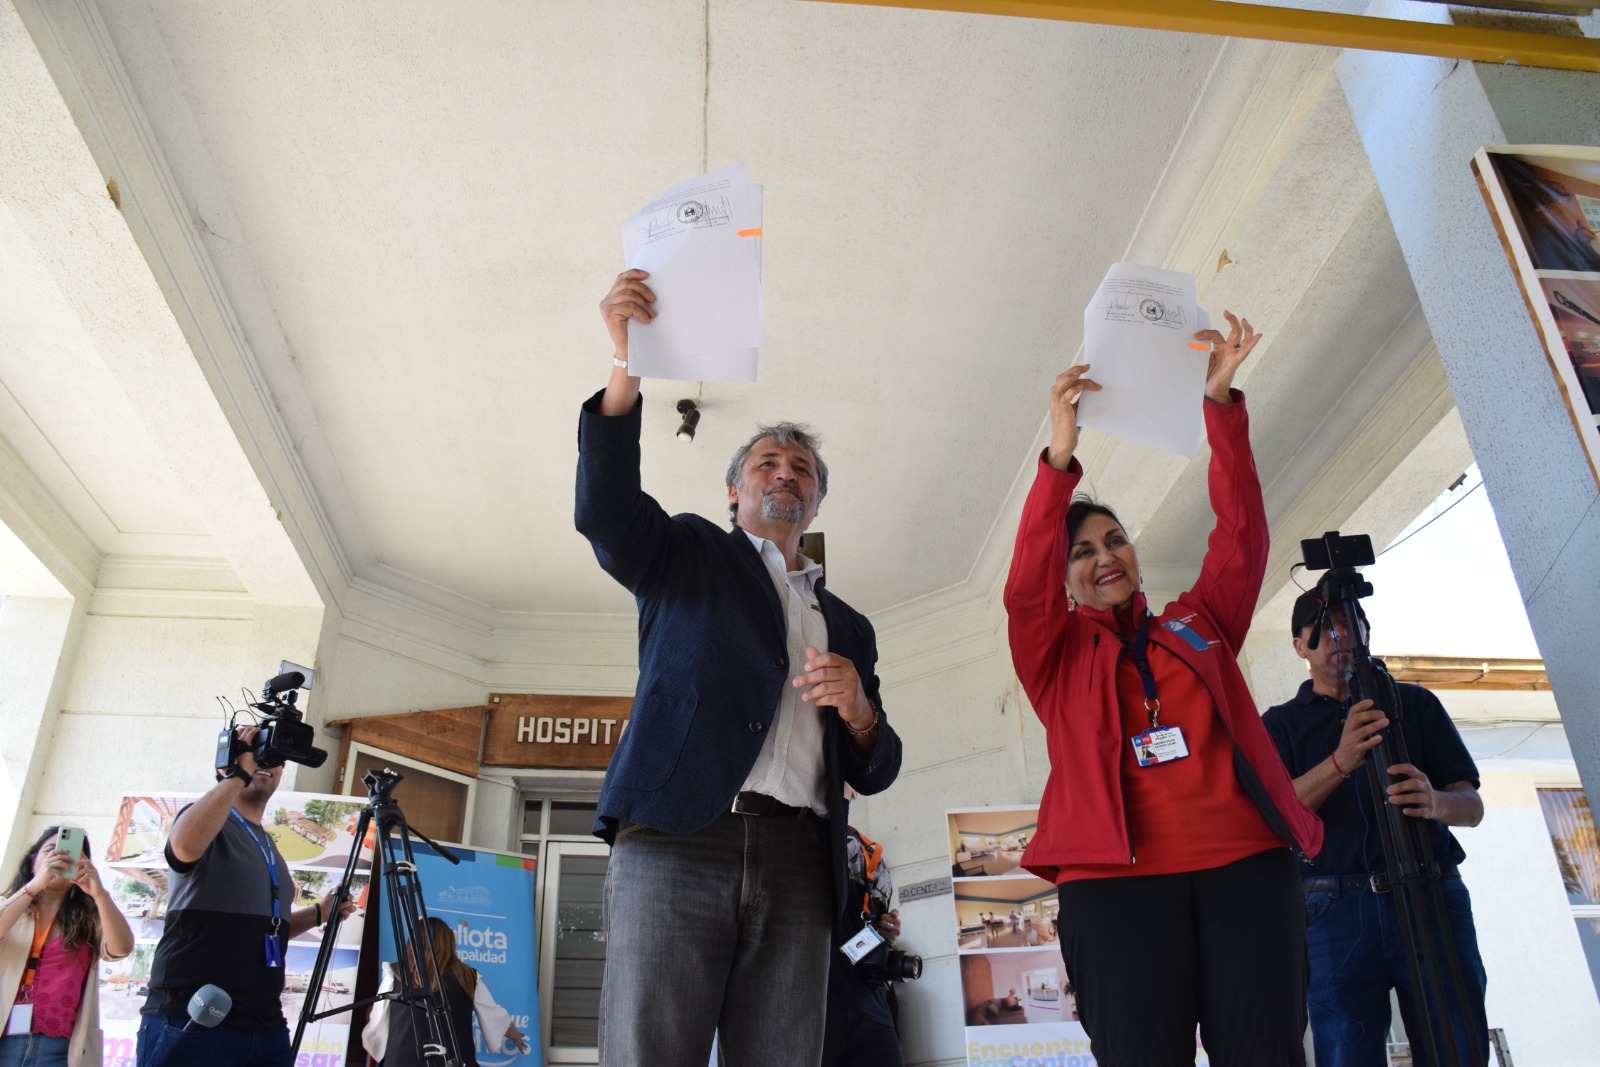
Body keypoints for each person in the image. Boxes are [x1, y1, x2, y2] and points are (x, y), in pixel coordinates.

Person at [577, 269, 902, 1067]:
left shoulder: (849, 626)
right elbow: (607, 512)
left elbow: (878, 762)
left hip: (800, 861)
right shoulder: (688, 553)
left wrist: (860, 711)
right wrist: (626, 368)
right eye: (767, 461)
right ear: (734, 490)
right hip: (677, 837)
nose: (786, 471)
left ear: (816, 502)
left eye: (802, 468)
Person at [1003, 311, 1324, 1066]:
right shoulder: (1053, 652)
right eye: (1082, 551)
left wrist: (1219, 405)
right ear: (1064, 577)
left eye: (1115, 539)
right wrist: (1059, 459)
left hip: (1246, 868)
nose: (1105, 557)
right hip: (1114, 888)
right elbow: (1023, 591)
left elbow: (1242, 537)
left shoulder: (1198, 622)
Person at [1262, 582, 1488, 1067]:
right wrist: (1340, 760)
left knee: (1456, 1044)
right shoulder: (1280, 724)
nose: (1341, 634)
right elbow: (1277, 815)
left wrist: (1436, 801)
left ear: (1367, 631)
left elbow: (1472, 807)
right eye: (1324, 627)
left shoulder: (1415, 704)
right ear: (1300, 646)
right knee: (1346, 1053)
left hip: (1431, 893)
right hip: (1333, 905)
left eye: (1350, 623)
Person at [135, 726, 353, 1067]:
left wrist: (319, 913)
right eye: (258, 753)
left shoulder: (268, 845)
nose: (267, 762)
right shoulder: (206, 822)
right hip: (194, 1017)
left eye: (275, 758)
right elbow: (183, 847)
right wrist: (236, 775)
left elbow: (268, 931)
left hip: (264, 1026)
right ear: (231, 761)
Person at [1, 828, 134, 1066]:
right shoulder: (9, 906)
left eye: (70, 854)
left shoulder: (90, 917)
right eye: (50, 851)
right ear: (32, 862)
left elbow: (122, 948)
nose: (60, 858)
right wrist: (34, 886)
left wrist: (100, 894)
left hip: (61, 1047)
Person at [360, 917, 527, 1066]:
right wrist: (515, 1035)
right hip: (453, 1060)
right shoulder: (467, 976)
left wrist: (372, 1027)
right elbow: (492, 1014)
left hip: (402, 1060)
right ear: (449, 943)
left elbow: (378, 1018)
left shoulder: (396, 973)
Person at [822, 827, 904, 1067]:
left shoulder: (864, 853)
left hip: (871, 1010)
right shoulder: (792, 841)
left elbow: (870, 927)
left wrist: (885, 933)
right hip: (814, 1013)